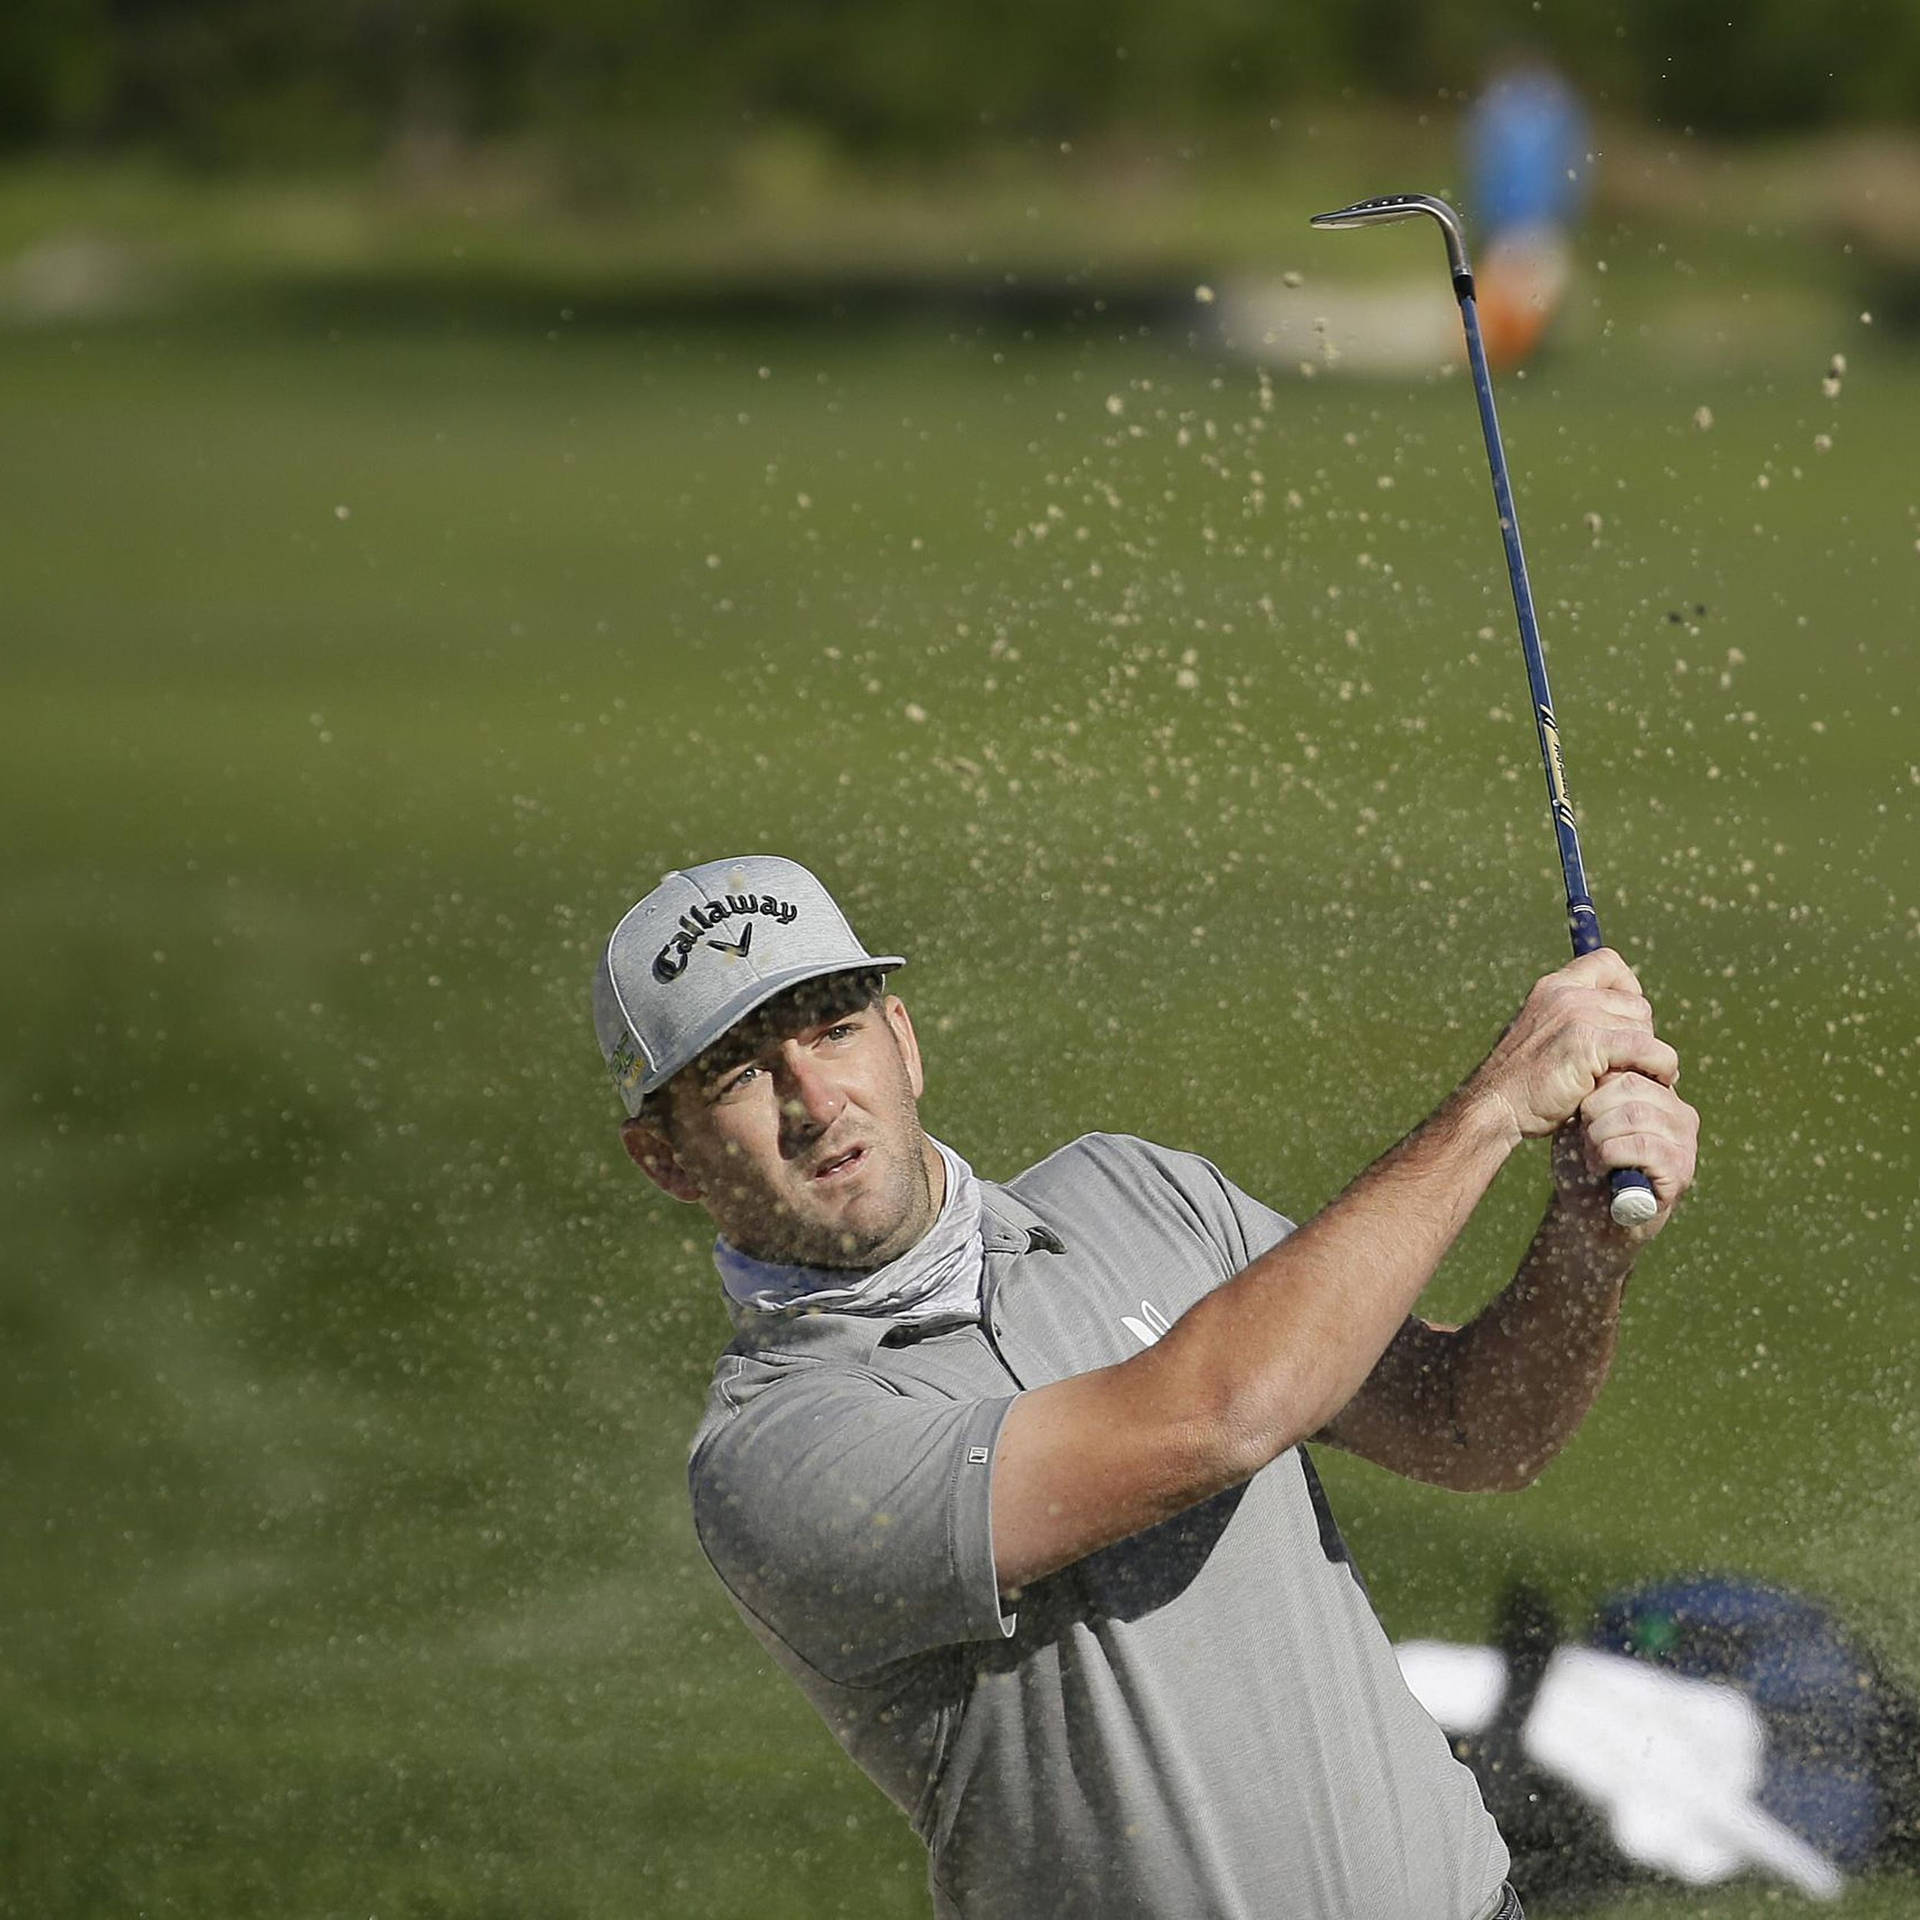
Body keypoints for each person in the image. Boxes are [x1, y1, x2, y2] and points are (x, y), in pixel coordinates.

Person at [592, 854, 1699, 1919]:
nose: (816, 1097)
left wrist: (1585, 1239)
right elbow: (1213, 1418)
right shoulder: (775, 1453)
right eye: (741, 1072)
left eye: (836, 1030)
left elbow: (1471, 1427)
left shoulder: (1138, 1192)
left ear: (903, 1041)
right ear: (668, 1160)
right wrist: (1495, 1105)